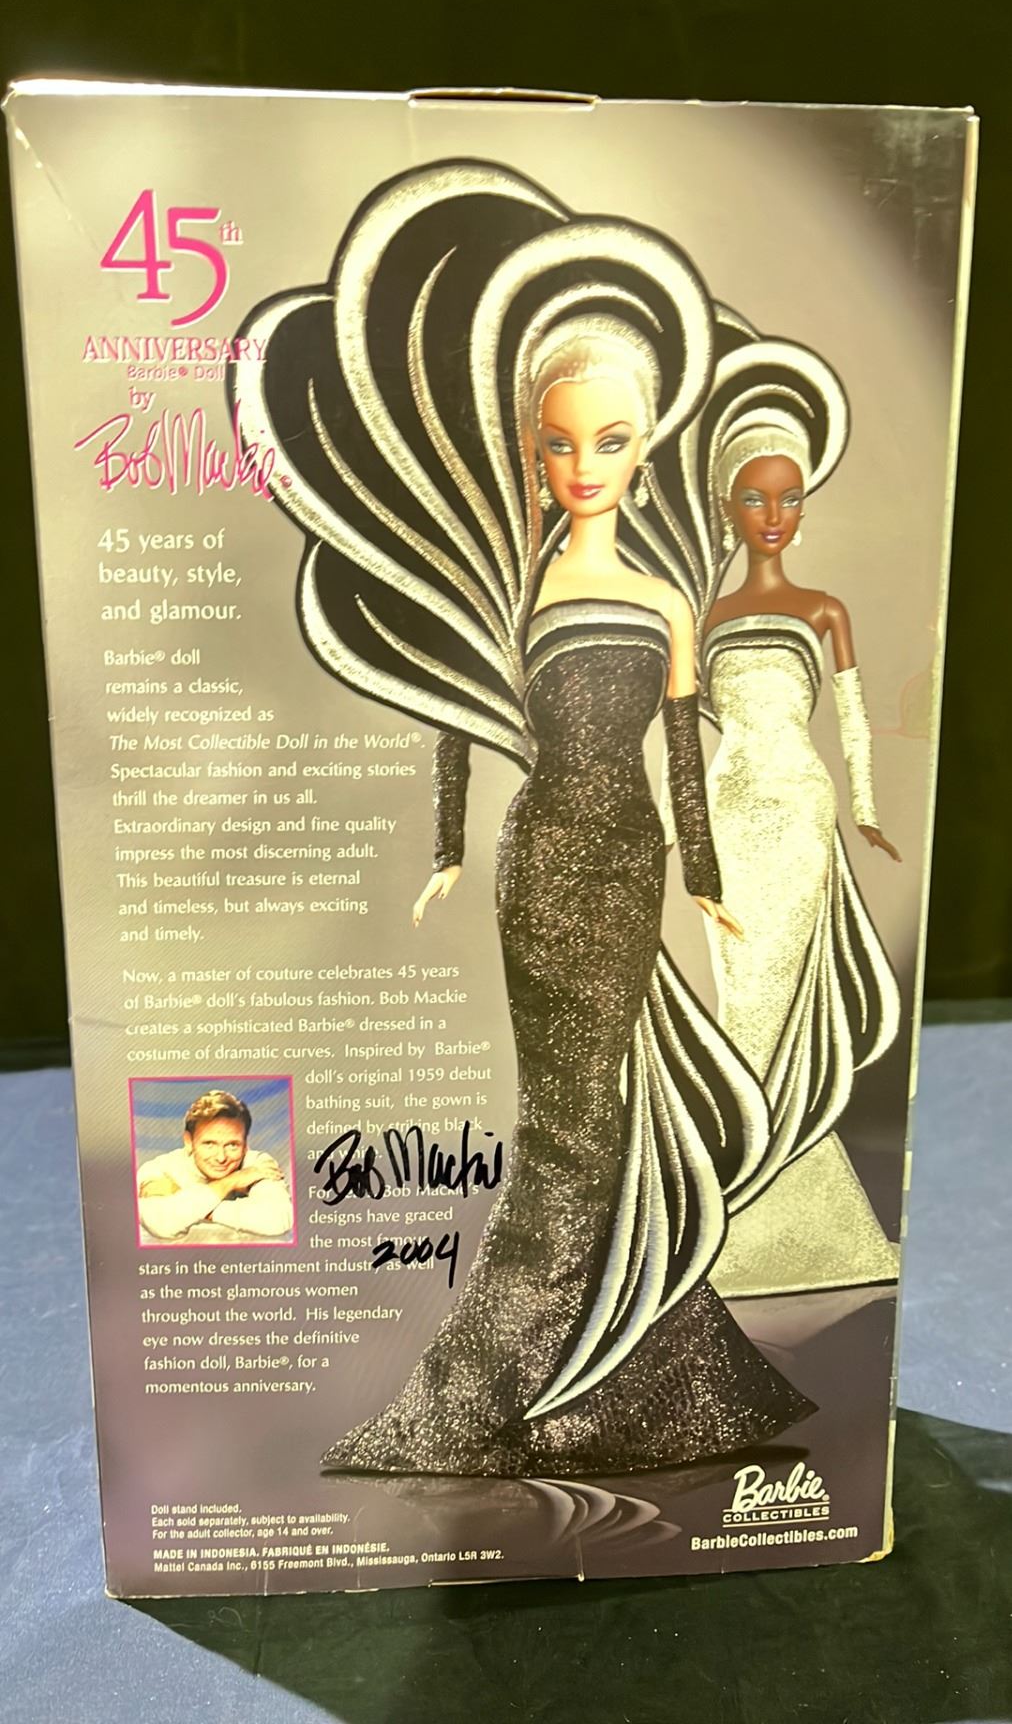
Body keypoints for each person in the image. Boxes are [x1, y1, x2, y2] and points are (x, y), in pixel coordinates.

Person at [232, 159, 814, 1476]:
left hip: (632, 866)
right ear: (531, 451)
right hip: (541, 864)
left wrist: (706, 881)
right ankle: (497, 1386)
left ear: (644, 446)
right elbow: (455, 722)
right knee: (565, 1124)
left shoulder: (664, 602)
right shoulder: (515, 597)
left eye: (608, 442)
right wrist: (446, 850)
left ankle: (607, 1367)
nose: (582, 466)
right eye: (559, 444)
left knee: (604, 1114)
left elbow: (678, 757)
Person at [678, 328, 902, 1296]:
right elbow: (682, 741)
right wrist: (685, 840)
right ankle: (744, 1214)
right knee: (743, 1005)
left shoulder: (824, 609)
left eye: (788, 498)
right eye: (755, 498)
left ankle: (808, 1227)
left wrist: (865, 810)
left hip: (801, 816)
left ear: (803, 508)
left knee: (784, 1002)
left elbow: (851, 718)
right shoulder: (702, 618)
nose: (773, 515)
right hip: (731, 820)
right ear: (728, 508)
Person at [136, 1090, 293, 1243]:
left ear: (245, 1145)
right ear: (188, 1142)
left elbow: (278, 1220)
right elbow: (162, 1225)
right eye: (209, 1144)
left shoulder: (258, 1164)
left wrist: (187, 1203)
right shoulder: (159, 1169)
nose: (221, 1157)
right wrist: (231, 1181)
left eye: (232, 1145)